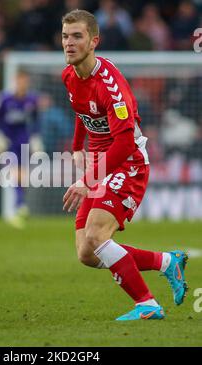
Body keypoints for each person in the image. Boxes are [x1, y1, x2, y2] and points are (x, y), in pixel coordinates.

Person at [61, 9, 188, 321]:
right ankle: (166, 262)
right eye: (65, 36)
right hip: (101, 164)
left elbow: (125, 144)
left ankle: (147, 304)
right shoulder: (70, 75)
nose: (69, 43)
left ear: (94, 42)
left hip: (128, 163)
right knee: (87, 254)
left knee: (95, 235)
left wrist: (88, 179)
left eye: (77, 36)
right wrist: (78, 146)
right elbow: (82, 112)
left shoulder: (111, 87)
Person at [0, 69, 43, 228]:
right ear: (15, 81)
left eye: (25, 81)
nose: (22, 84)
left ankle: (18, 208)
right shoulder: (3, 99)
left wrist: (36, 138)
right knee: (14, 172)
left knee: (22, 176)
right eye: (20, 80)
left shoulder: (31, 100)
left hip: (24, 141)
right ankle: (19, 206)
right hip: (8, 142)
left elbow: (36, 120)